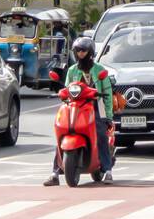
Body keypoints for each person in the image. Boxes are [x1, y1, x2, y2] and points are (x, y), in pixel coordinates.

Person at [43, 36, 114, 186]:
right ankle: (55, 173)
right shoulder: (72, 70)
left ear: (90, 52)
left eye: (83, 50)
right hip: (75, 106)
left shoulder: (100, 70)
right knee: (61, 134)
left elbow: (107, 94)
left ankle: (107, 170)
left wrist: (108, 116)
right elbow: (67, 88)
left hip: (95, 106)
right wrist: (62, 92)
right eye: (77, 51)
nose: (80, 53)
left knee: (101, 133)